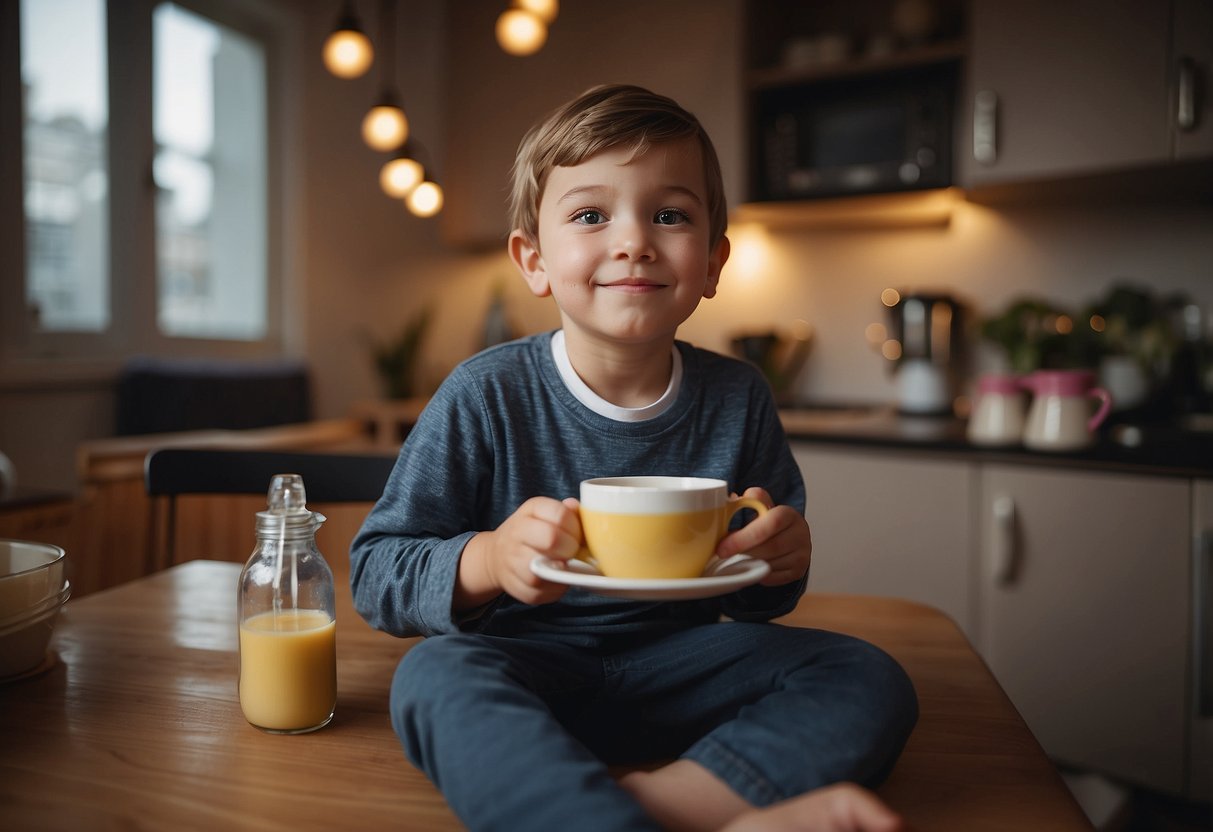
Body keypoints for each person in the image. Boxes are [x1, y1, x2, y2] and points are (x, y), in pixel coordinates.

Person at [350, 84, 918, 832]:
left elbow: (757, 594)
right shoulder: (485, 392)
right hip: (525, 668)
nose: (633, 241)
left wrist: (780, 559)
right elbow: (376, 571)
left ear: (712, 262)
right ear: (534, 259)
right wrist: (486, 559)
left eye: (670, 215)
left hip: (685, 668)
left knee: (865, 675)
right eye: (590, 215)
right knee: (432, 675)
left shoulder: (737, 396)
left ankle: (660, 808)